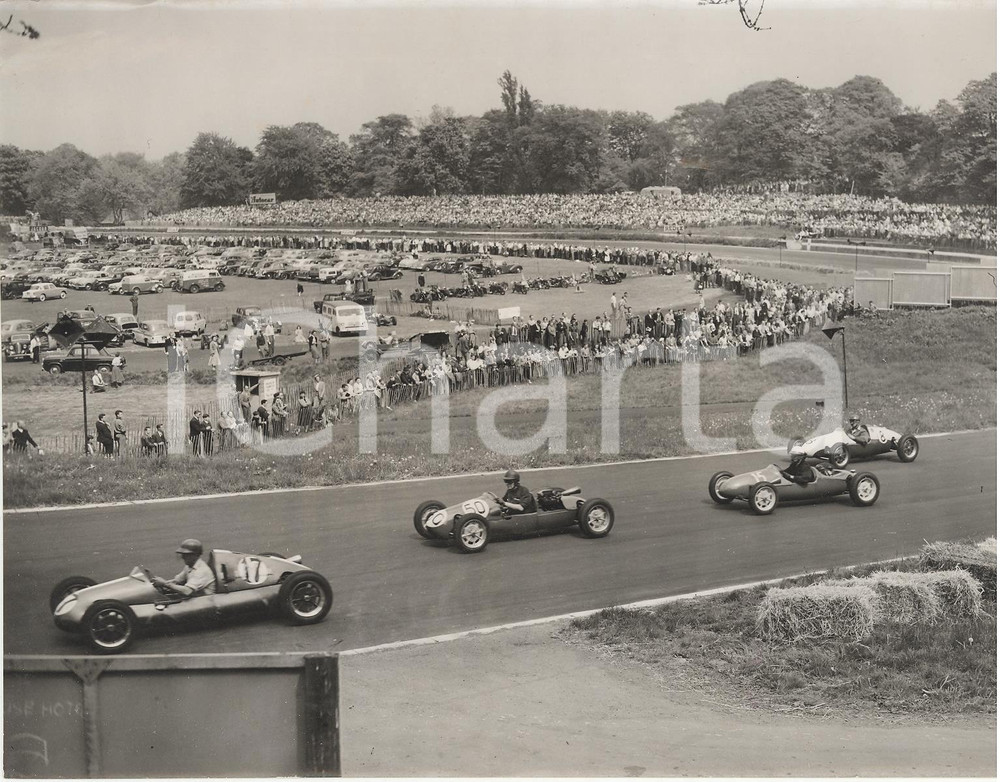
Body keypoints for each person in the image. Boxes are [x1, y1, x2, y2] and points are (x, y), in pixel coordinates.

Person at [150, 539, 216, 598]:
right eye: (183, 554)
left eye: (186, 555)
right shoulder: (189, 566)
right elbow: (177, 581)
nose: (183, 557)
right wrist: (159, 583)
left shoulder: (201, 571)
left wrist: (164, 583)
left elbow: (187, 591)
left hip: (205, 602)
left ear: (195, 555)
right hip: (195, 598)